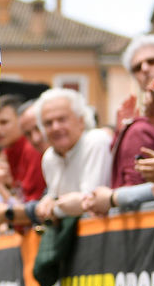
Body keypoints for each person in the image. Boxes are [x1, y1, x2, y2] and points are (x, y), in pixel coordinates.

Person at [33, 88, 112, 221]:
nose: (55, 127)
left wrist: (53, 207)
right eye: (48, 123)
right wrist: (47, 201)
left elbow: (88, 201)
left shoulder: (96, 141)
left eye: (62, 119)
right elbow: (55, 195)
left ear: (81, 121)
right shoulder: (49, 157)